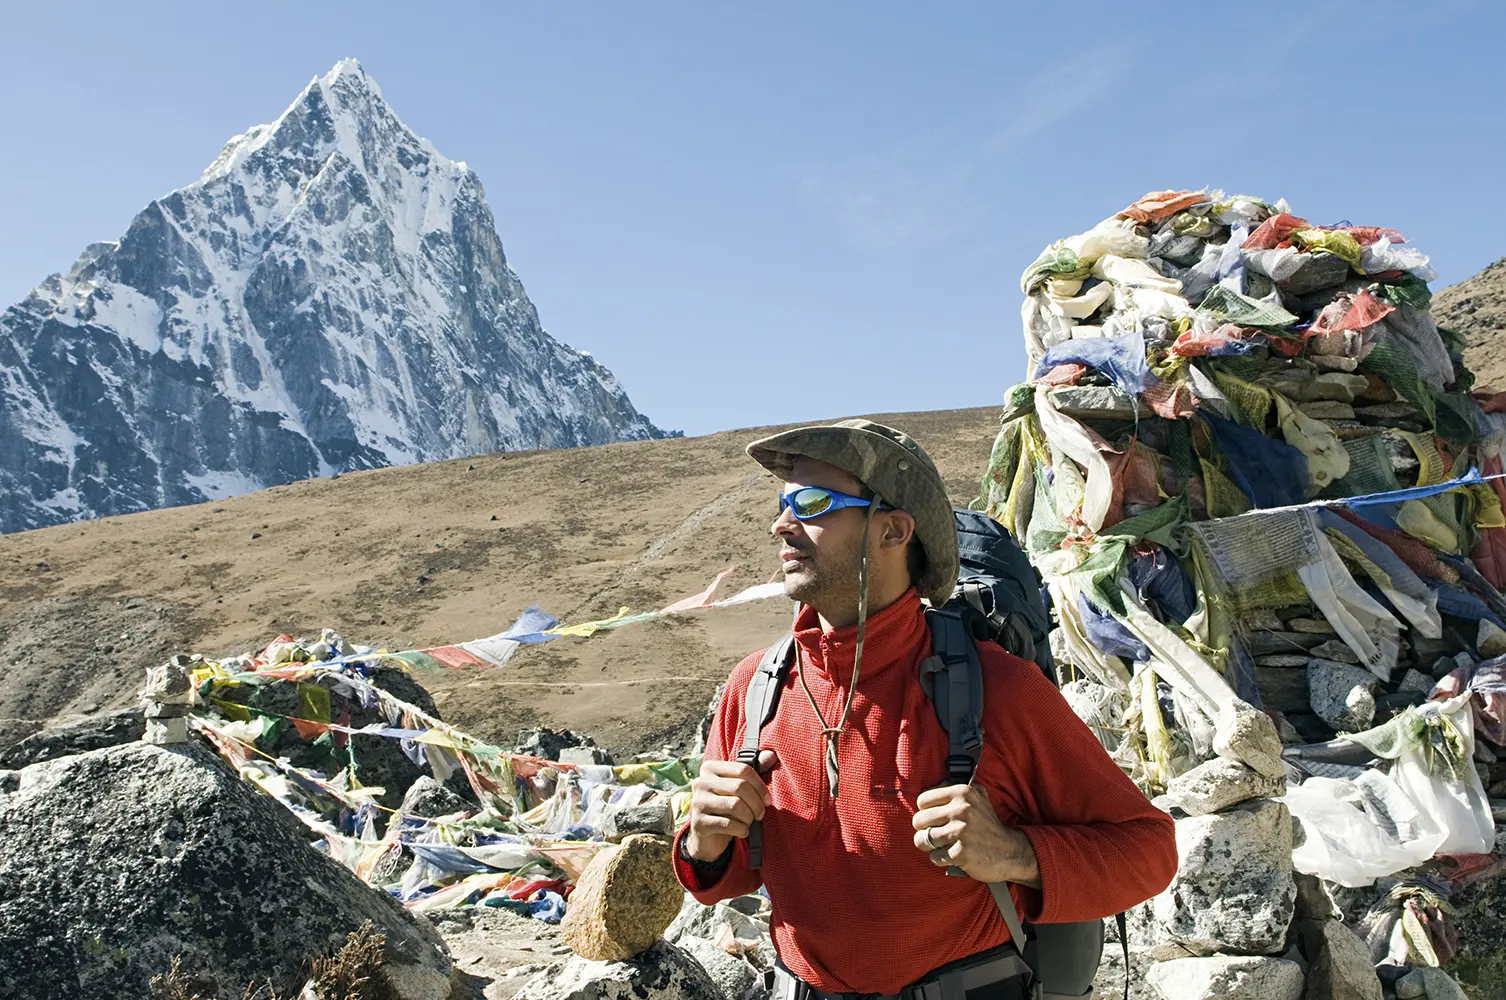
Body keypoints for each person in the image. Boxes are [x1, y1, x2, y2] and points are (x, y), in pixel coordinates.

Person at [672, 419, 1177, 1000]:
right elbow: (723, 879)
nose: (781, 525)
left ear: (893, 530)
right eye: (784, 505)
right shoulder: (755, 689)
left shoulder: (1000, 688)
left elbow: (1149, 851)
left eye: (811, 503)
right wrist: (702, 844)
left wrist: (1015, 855)